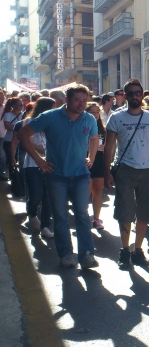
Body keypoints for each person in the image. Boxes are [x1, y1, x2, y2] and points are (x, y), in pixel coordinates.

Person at [18, 84, 99, 270]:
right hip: (56, 175)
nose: (82, 104)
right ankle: (66, 255)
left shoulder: (89, 119)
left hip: (80, 174)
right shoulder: (50, 117)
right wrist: (39, 161)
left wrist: (91, 157)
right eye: (78, 100)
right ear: (67, 100)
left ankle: (87, 254)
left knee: (82, 215)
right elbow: (23, 134)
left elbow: (94, 138)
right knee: (61, 216)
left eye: (85, 100)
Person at [104, 78, 149, 270]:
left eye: (139, 93)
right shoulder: (116, 118)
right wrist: (107, 172)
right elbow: (109, 147)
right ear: (125, 96)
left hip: (147, 170)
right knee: (125, 212)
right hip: (125, 169)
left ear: (143, 95)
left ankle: (138, 250)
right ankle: (125, 250)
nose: (135, 96)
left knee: (145, 211)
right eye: (131, 93)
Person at [21, 97, 56, 238]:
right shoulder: (30, 121)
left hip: (50, 164)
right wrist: (42, 151)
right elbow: (26, 141)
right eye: (52, 107)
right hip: (32, 163)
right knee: (35, 194)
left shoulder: (53, 122)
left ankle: (45, 226)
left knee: (47, 196)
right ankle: (32, 213)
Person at [86, 102, 106, 230]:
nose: (95, 114)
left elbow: (108, 144)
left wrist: (103, 148)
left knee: (98, 191)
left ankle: (96, 218)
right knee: (86, 192)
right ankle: (83, 216)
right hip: (86, 160)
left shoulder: (102, 128)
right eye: (92, 112)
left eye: (97, 112)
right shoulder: (84, 125)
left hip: (99, 160)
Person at [2, 96, 23, 177]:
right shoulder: (8, 114)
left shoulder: (24, 114)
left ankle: (20, 178)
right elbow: (8, 126)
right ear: (13, 105)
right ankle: (13, 177)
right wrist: (19, 129)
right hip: (9, 140)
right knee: (11, 160)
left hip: (21, 141)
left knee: (19, 160)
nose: (21, 106)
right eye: (19, 104)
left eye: (22, 104)